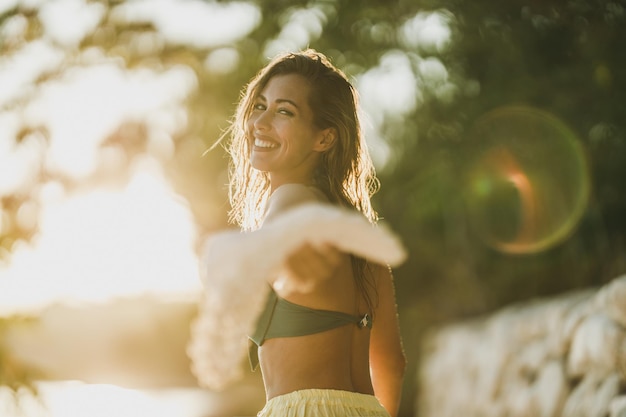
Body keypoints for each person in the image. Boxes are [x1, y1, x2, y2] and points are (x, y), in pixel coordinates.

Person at [206, 49, 406, 417]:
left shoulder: (290, 199)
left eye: (285, 112)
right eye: (260, 106)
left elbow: (280, 236)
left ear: (324, 139)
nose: (260, 123)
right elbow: (391, 363)